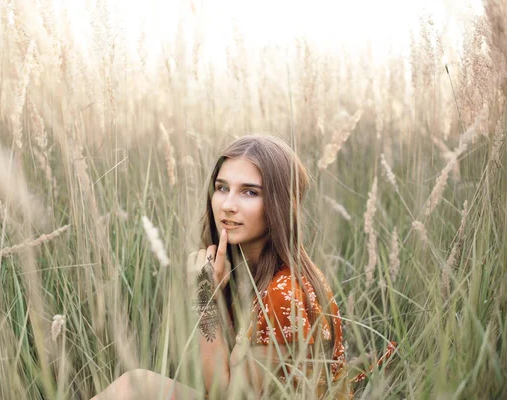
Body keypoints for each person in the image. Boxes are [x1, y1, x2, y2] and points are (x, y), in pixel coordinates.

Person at [92, 134, 395, 399]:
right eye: (222, 187)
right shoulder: (244, 270)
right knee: (137, 384)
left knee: (134, 387)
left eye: (250, 192)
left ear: (281, 203)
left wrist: (204, 295)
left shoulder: (284, 292)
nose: (228, 204)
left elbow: (227, 393)